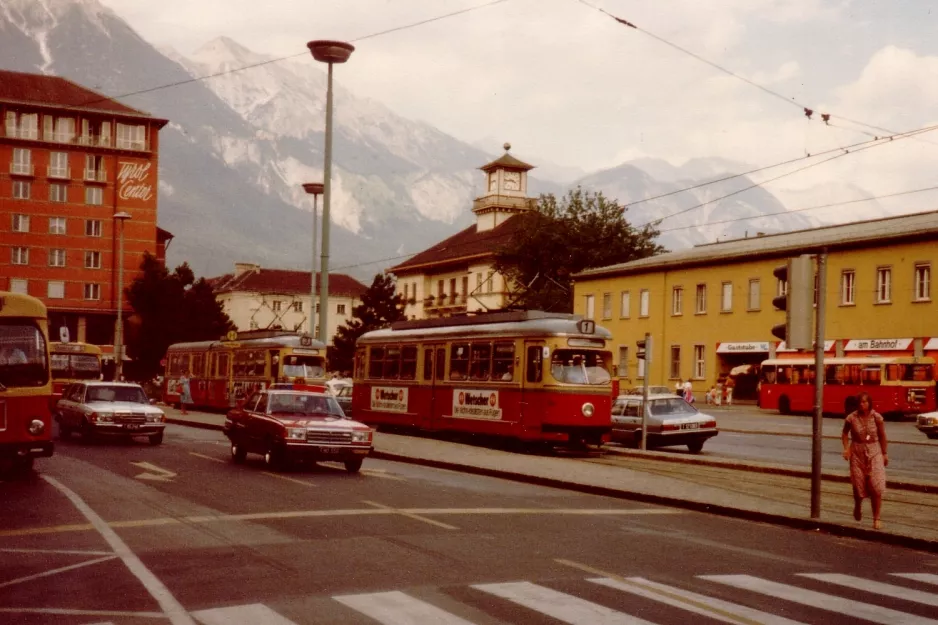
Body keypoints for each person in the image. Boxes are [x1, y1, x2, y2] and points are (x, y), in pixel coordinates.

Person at [842, 392, 888, 529]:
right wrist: (846, 448)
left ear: (869, 403)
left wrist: (885, 453)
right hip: (857, 452)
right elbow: (844, 434)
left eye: (865, 402)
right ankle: (857, 506)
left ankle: (876, 518)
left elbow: (882, 436)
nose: (863, 404)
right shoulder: (851, 418)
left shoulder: (877, 417)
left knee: (876, 486)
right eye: (860, 402)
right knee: (858, 485)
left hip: (874, 451)